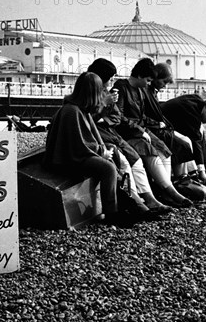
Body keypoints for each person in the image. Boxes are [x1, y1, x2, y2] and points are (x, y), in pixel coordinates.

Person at [43, 72, 139, 227]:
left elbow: (84, 141)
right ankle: (111, 213)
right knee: (107, 168)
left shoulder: (78, 109)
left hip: (75, 154)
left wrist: (104, 150)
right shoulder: (71, 111)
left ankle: (123, 202)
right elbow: (78, 145)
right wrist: (102, 152)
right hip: (67, 160)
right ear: (93, 92)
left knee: (112, 149)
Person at [87, 58, 172, 215]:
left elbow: (116, 117)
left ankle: (148, 199)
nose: (112, 81)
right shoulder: (93, 91)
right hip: (101, 135)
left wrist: (104, 115)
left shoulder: (106, 91)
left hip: (110, 133)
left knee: (136, 160)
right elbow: (85, 118)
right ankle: (138, 201)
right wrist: (103, 107)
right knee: (125, 162)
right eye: (110, 77)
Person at [113, 58, 193, 208]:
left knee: (164, 150)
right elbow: (118, 116)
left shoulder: (141, 90)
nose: (149, 83)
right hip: (128, 133)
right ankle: (170, 192)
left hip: (141, 129)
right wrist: (138, 130)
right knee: (150, 152)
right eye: (148, 80)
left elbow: (141, 116)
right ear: (139, 76)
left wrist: (155, 124)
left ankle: (168, 190)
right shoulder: (122, 87)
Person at [160, 94, 206, 188]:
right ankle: (193, 175)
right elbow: (195, 142)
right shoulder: (191, 112)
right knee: (190, 140)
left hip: (172, 123)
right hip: (161, 125)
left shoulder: (197, 102)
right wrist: (202, 173)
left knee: (200, 132)